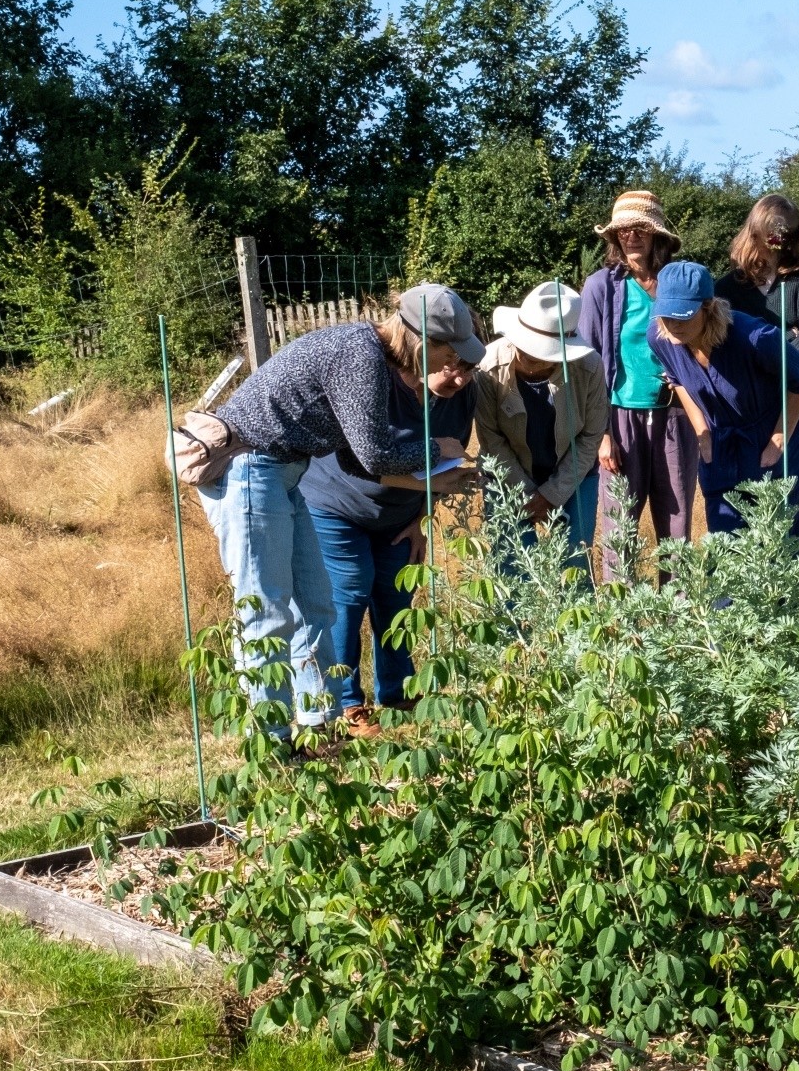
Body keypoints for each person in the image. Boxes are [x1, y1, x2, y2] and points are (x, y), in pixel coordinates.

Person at [200, 285, 469, 741]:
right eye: (448, 351)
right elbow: (375, 456)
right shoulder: (357, 354)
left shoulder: (372, 360)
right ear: (421, 339)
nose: (451, 365)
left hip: (288, 471)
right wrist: (436, 448)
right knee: (266, 612)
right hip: (250, 467)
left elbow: (350, 456)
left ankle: (316, 728)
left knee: (316, 606)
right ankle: (271, 745)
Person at [301, 284, 482, 736]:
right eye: (452, 364)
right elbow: (364, 462)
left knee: (397, 597)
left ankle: (398, 693)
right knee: (349, 590)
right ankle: (345, 703)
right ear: (426, 349)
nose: (459, 375)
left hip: (400, 513)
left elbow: (446, 461)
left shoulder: (462, 395)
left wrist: (422, 516)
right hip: (337, 500)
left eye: (468, 367)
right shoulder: (375, 379)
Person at [578, 190, 699, 581]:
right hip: (619, 416)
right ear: (614, 237)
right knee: (620, 527)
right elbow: (587, 362)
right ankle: (622, 621)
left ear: (656, 235)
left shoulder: (676, 282)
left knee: (676, 520)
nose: (631, 236)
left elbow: (704, 337)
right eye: (623, 230)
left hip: (676, 413)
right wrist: (601, 435)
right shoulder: (601, 286)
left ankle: (679, 618)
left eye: (640, 228)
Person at [648, 262, 799, 538]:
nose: (674, 324)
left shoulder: (754, 337)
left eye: (683, 315)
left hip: (771, 433)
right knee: (725, 543)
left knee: (777, 542)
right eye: (666, 314)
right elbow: (677, 381)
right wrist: (702, 433)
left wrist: (778, 438)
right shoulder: (660, 337)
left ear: (707, 306)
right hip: (720, 443)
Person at [715, 195, 799, 558]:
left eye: (787, 233)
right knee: (748, 497)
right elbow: (721, 346)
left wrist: (762, 349)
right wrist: (783, 337)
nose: (779, 241)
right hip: (746, 405)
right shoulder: (727, 289)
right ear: (755, 230)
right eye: (772, 231)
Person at [474, 281, 609, 570]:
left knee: (574, 566)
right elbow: (491, 440)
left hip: (574, 475)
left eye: (542, 357)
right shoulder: (487, 367)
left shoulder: (590, 367)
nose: (529, 361)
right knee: (512, 568)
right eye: (524, 350)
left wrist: (551, 494)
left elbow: (591, 436)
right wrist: (526, 494)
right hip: (506, 478)